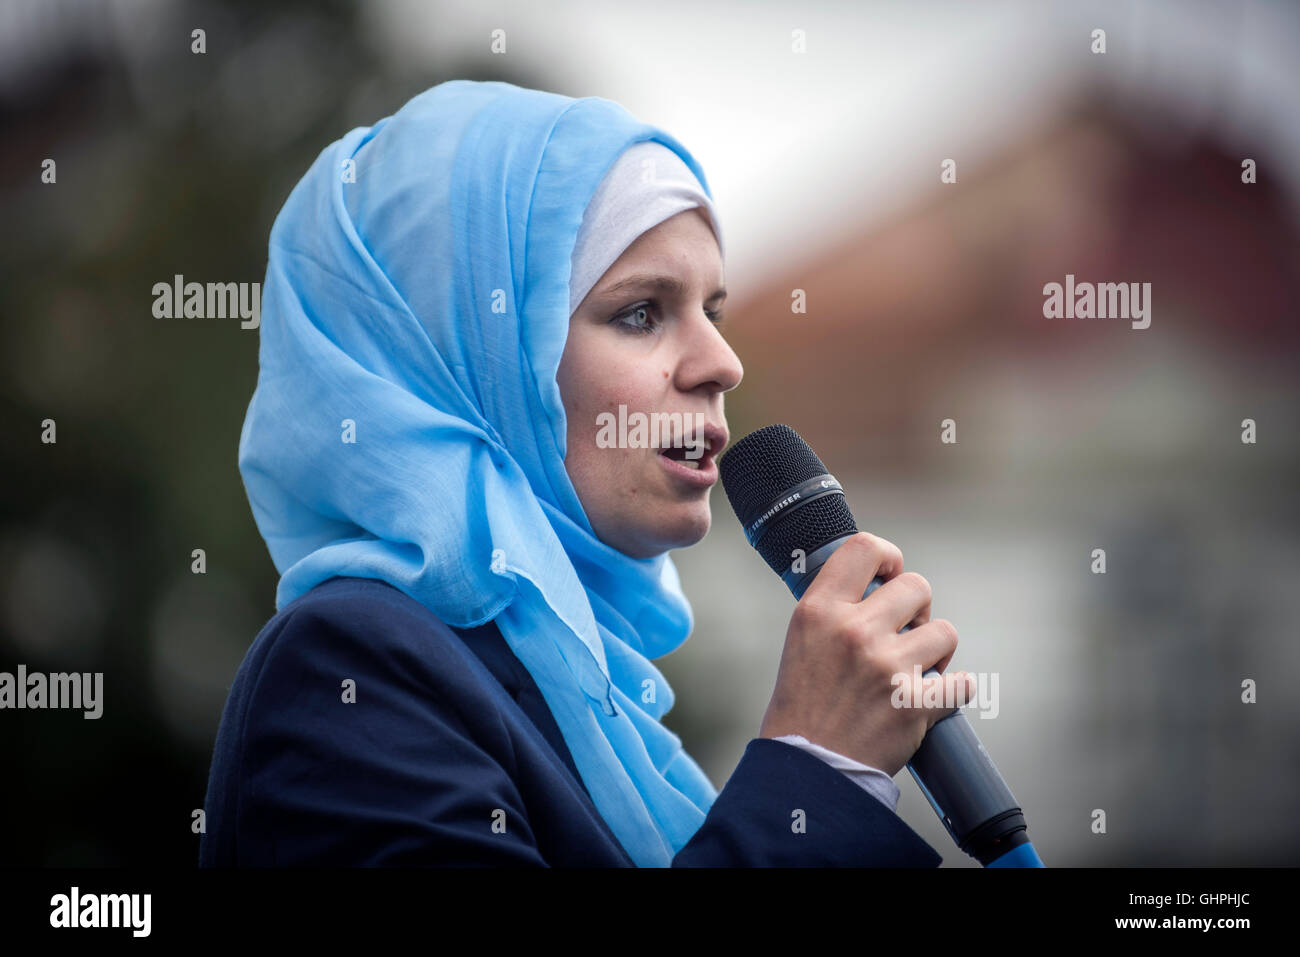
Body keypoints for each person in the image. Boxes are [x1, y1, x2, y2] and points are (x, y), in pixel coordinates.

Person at [200, 79, 973, 867]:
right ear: (477, 357)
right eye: (641, 312)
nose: (723, 363)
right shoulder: (350, 671)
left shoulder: (605, 708)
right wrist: (815, 767)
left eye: (714, 310)